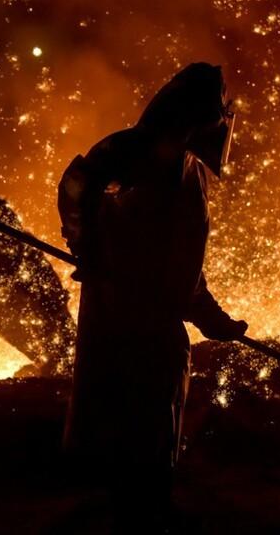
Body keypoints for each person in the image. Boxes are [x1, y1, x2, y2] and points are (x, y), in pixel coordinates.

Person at [57, 63, 247, 529]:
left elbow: (182, 271)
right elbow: (76, 187)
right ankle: (136, 512)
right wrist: (86, 246)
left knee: (133, 408)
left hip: (134, 309)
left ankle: (129, 507)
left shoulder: (177, 169)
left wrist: (211, 317)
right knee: (139, 407)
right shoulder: (137, 158)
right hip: (130, 310)